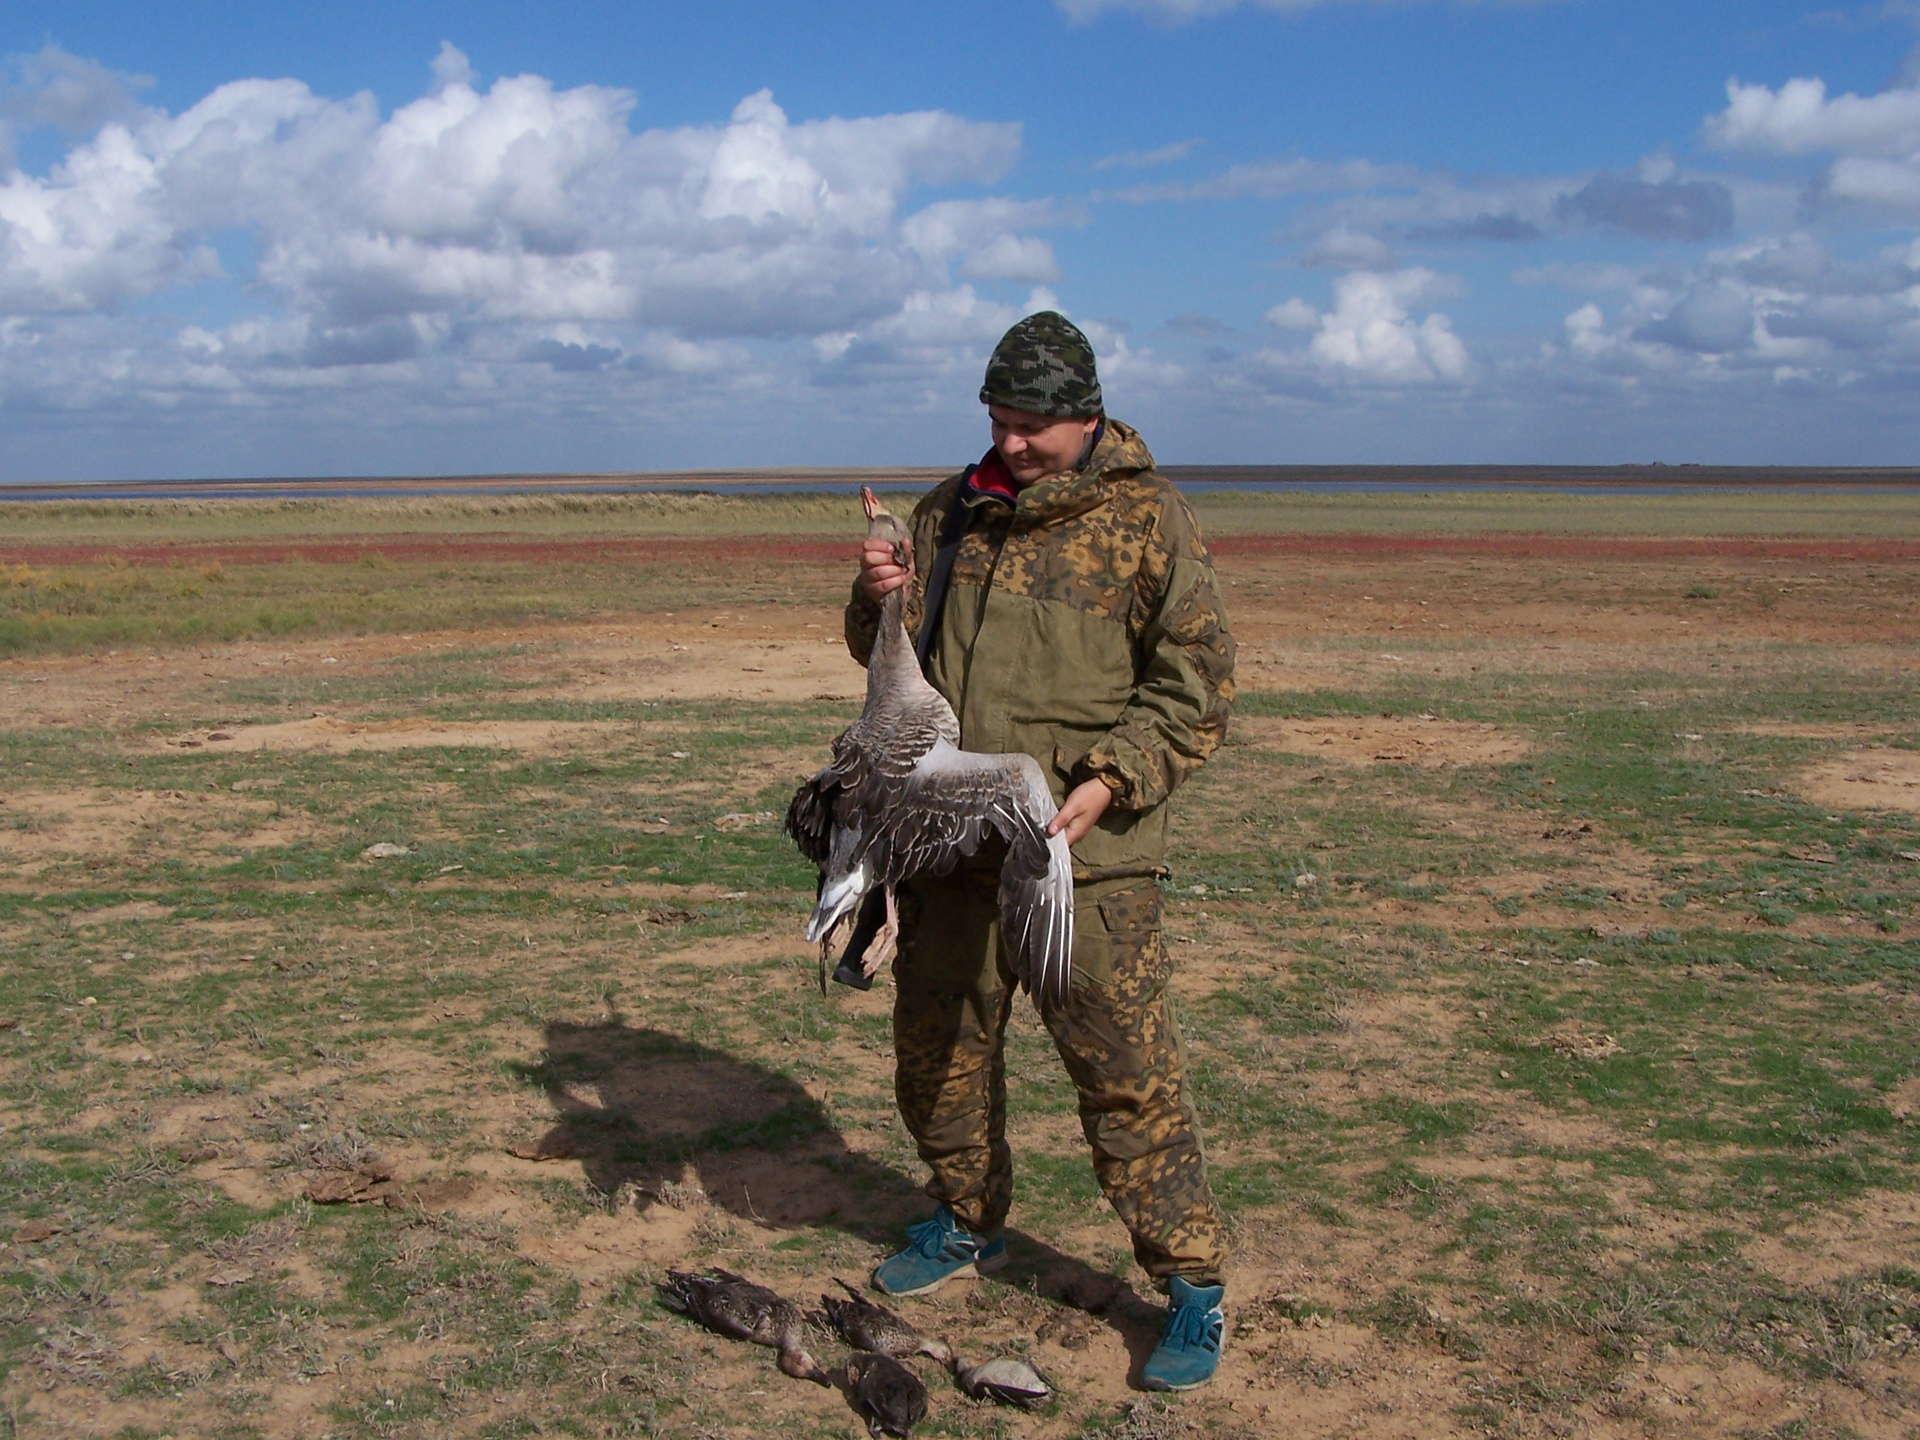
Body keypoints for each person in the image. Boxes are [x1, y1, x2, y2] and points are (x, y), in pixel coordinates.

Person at [843, 311, 1236, 1392]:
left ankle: (1192, 1289)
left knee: (1125, 1075)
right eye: (997, 422)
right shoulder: (946, 513)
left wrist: (1111, 781)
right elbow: (886, 660)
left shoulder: (1147, 519)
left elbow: (1197, 681)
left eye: (1032, 427)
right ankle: (965, 1220)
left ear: (1087, 416)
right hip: (947, 843)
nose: (1011, 444)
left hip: (1085, 856)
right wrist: (875, 597)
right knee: (939, 1051)